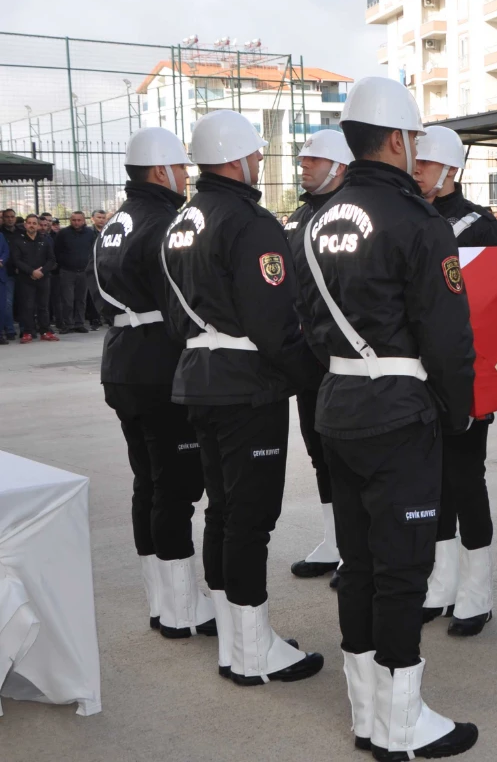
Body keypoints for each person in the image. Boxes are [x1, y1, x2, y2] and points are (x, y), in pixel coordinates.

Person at [293, 77, 479, 758]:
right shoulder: (419, 223)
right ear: (399, 140)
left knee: (361, 562)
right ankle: (402, 727)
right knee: (403, 569)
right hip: (400, 412)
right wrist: (457, 412)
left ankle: (368, 716)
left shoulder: (313, 222)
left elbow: (307, 326)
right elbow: (448, 338)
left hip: (336, 406)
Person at [162, 108, 324, 686]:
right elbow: (273, 320)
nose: (260, 160)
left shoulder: (183, 220)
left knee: (223, 513)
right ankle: (255, 653)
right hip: (247, 385)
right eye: (255, 152)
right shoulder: (249, 222)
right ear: (236, 158)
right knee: (250, 519)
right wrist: (312, 373)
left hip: (199, 379)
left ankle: (236, 643)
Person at [97, 127, 214, 637]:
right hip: (159, 364)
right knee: (177, 488)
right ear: (162, 170)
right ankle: (184, 607)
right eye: (182, 168)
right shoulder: (166, 222)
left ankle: (162, 599)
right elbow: (183, 299)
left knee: (148, 482)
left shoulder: (113, 224)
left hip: (121, 363)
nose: (187, 176)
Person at [413, 124, 497, 637]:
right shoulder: (411, 218)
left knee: (467, 481)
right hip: (419, 374)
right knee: (434, 483)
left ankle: (478, 591)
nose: (415, 171)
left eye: (425, 164)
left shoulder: (484, 228)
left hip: (469, 376)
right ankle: (442, 583)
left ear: (451, 170)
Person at [283, 129, 353, 587]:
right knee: (318, 453)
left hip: (347, 355)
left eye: (314, 159)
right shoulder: (296, 216)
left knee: (348, 457)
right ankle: (334, 540)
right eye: (303, 158)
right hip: (306, 355)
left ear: (340, 165)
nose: (304, 165)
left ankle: (354, 547)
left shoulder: (350, 212)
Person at [12, 214, 57, 343]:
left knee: (43, 306)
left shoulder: (44, 240)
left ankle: (45, 331)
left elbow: (51, 259)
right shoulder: (18, 241)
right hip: (26, 278)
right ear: (25, 224)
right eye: (29, 223)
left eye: (34, 223)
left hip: (43, 278)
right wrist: (31, 271)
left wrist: (42, 271)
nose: (32, 225)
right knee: (27, 306)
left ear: (38, 225)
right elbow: (16, 260)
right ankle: (28, 332)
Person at [53, 210, 94, 333]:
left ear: (84, 221)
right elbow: (57, 251)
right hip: (67, 272)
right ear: (70, 221)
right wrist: (63, 263)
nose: (76, 223)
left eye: (79, 220)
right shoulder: (63, 234)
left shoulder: (90, 234)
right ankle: (68, 324)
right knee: (67, 300)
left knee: (81, 300)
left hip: (83, 272)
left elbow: (93, 250)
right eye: (74, 220)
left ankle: (79, 323)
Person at [1, 208, 19, 340]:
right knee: (7, 303)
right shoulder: (1, 232)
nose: (10, 219)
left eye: (12, 216)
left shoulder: (21, 232)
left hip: (22, 271)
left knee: (23, 302)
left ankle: (26, 329)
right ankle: (9, 330)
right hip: (6, 272)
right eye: (7, 217)